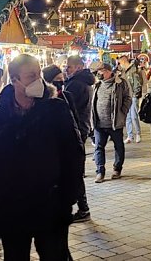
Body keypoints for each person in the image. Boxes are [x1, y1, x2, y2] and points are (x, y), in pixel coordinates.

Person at [0, 54, 84, 260]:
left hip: (51, 204)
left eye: (39, 75)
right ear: (15, 80)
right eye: (31, 76)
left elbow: (73, 154)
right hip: (12, 207)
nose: (38, 81)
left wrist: (68, 197)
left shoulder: (56, 110)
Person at [63, 55, 96, 221]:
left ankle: (83, 208)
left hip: (75, 128)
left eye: (69, 67)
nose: (66, 69)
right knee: (75, 169)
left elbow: (69, 108)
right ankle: (82, 207)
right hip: (82, 127)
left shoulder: (76, 84)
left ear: (77, 67)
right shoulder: (84, 82)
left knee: (74, 170)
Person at [91, 64, 132, 182]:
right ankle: (100, 171)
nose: (99, 74)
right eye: (98, 71)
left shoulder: (120, 83)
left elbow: (128, 98)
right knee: (99, 147)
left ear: (108, 71)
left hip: (115, 123)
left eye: (101, 71)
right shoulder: (97, 84)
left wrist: (122, 112)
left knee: (118, 146)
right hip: (99, 123)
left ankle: (117, 169)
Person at [119, 55, 144, 143]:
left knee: (134, 116)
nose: (120, 65)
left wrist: (135, 95)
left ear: (124, 62)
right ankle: (130, 136)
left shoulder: (133, 71)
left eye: (120, 63)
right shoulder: (124, 71)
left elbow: (137, 84)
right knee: (128, 117)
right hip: (126, 96)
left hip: (132, 96)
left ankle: (138, 133)